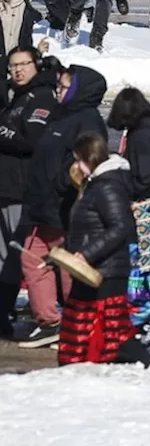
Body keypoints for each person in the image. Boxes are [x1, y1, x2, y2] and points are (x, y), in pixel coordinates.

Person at [16, 65, 108, 349]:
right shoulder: (60, 115)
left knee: (68, 265)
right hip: (41, 205)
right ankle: (50, 320)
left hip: (64, 207)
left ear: (81, 90)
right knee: (33, 260)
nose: (59, 90)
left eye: (65, 86)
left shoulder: (88, 120)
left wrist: (60, 185)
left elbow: (87, 162)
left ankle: (78, 320)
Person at [57, 133, 139, 366]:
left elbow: (120, 226)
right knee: (79, 326)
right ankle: (74, 367)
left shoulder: (107, 187)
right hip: (91, 267)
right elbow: (86, 228)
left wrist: (87, 253)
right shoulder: (94, 185)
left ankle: (147, 364)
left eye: (78, 160)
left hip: (107, 270)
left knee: (115, 329)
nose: (76, 167)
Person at [106, 87, 150, 346]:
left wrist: (122, 183)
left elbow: (148, 177)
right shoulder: (146, 133)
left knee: (141, 275)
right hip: (147, 218)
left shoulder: (142, 136)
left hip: (144, 218)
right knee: (146, 274)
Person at [0, 48, 57, 335]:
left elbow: (31, 140)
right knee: (4, 255)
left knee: (16, 255)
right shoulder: (16, 98)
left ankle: (20, 312)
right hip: (6, 187)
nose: (18, 70)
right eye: (13, 66)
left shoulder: (42, 96)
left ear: (36, 65)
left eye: (24, 64)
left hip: (22, 190)